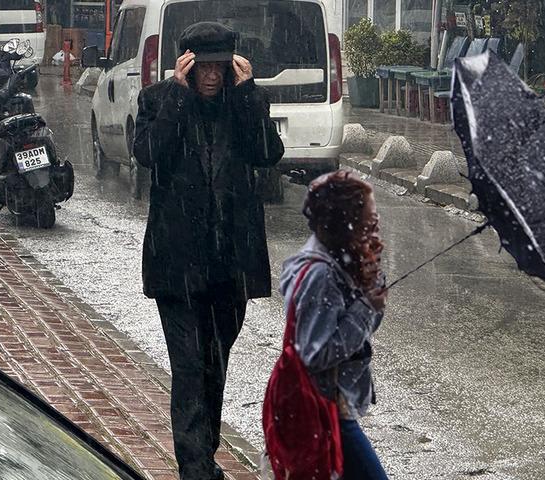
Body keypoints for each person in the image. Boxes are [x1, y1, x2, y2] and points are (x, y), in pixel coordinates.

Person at [132, 21, 284, 480]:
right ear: (187, 66)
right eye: (204, 68)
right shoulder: (159, 101)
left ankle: (204, 457)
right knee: (189, 366)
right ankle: (194, 470)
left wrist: (247, 94)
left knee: (214, 366)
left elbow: (267, 153)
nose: (212, 77)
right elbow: (149, 154)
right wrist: (178, 96)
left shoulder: (244, 104)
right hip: (177, 263)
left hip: (230, 266)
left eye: (220, 68)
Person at [279, 170, 389, 480]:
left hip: (334, 405)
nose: (375, 228)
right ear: (346, 225)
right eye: (369, 222)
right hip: (324, 406)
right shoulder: (320, 274)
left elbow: (363, 331)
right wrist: (366, 307)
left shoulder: (341, 258)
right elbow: (317, 352)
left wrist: (371, 283)